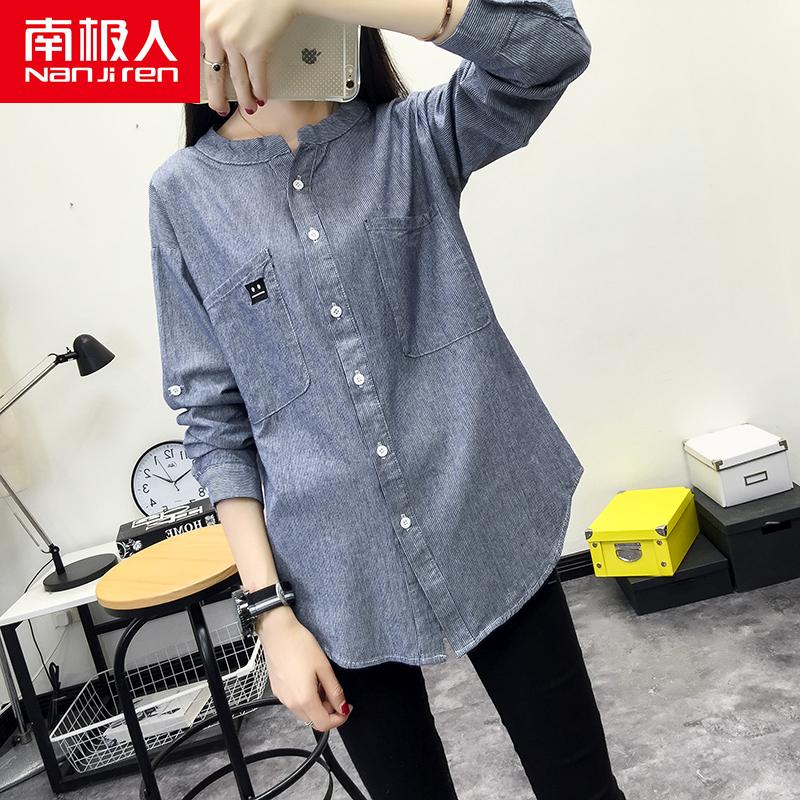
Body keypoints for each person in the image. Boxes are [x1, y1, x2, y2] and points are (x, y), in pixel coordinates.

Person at [148, 0, 626, 797]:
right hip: (334, 581)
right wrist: (271, 615)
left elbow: (550, 47)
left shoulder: (410, 139)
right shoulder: (184, 195)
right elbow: (213, 418)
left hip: (487, 513)